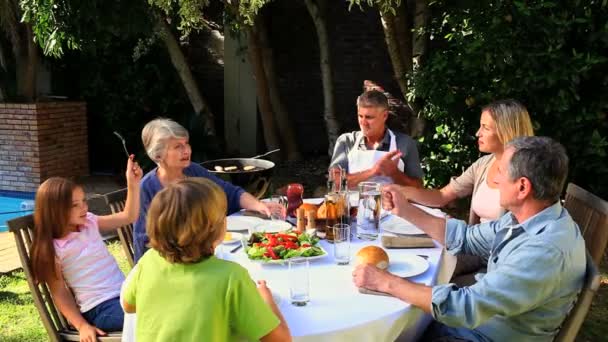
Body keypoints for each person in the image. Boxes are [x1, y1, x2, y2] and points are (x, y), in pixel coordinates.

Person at [353, 136, 586, 342]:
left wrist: (386, 282)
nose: (496, 179)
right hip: (475, 327)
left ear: (522, 187)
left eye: (502, 172)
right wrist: (405, 210)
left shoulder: (543, 250)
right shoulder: (528, 218)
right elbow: (466, 237)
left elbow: (465, 307)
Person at [121, 178, 292, 342]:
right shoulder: (231, 277)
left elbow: (128, 305)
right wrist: (266, 299)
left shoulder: (148, 260)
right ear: (214, 229)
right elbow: (281, 340)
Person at [30, 156, 142, 342]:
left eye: (84, 201)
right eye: (75, 205)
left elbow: (129, 216)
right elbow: (59, 292)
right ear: (54, 210)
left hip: (126, 293)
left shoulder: (89, 222)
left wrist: (132, 183)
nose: (83, 207)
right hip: (100, 309)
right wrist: (81, 325)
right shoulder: (52, 250)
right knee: (155, 314)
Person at [133, 118, 278, 262]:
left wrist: (259, 205)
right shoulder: (147, 188)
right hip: (173, 261)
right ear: (158, 155)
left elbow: (230, 192)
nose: (187, 150)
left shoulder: (193, 170)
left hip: (206, 252)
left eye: (186, 144)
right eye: (178, 147)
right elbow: (144, 240)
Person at [397, 99, 534, 224]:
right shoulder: (484, 164)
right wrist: (402, 191)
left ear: (506, 131)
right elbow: (442, 195)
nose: (477, 133)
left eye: (485, 128)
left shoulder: (530, 172)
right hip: (476, 247)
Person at [329, 90, 423, 188]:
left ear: (384, 115)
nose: (363, 123)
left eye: (369, 117)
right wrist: (373, 171)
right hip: (352, 203)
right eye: (360, 116)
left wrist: (395, 173)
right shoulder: (347, 141)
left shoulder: (405, 143)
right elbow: (334, 184)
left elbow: (419, 188)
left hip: (392, 203)